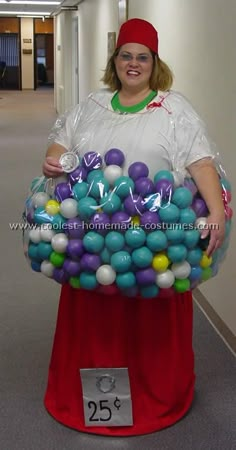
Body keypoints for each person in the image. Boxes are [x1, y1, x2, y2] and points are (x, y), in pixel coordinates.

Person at [42, 18, 225, 435]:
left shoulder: (174, 109)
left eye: (143, 57)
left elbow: (200, 162)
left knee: (148, 319)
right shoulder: (91, 105)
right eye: (126, 55)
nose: (134, 63)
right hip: (91, 241)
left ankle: (153, 395)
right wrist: (54, 160)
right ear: (115, 59)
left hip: (157, 240)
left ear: (154, 63)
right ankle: (92, 396)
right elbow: (61, 145)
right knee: (96, 315)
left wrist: (215, 211)